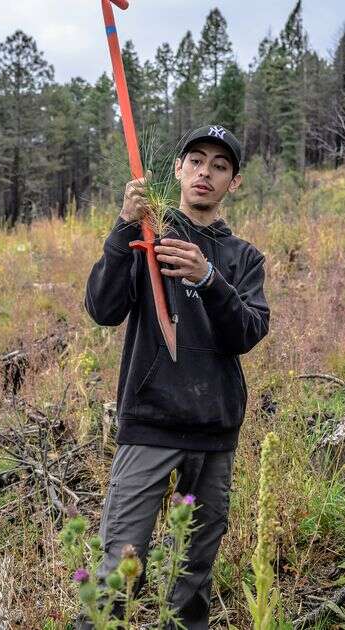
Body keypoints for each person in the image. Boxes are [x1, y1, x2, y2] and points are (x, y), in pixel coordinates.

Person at [84, 124, 269, 629]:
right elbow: (103, 309)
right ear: (177, 170)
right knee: (120, 569)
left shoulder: (243, 258)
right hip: (149, 424)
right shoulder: (149, 234)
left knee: (191, 579)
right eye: (196, 161)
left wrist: (209, 280)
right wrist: (124, 227)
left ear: (234, 181)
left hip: (214, 434)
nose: (205, 172)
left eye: (219, 165)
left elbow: (248, 332)